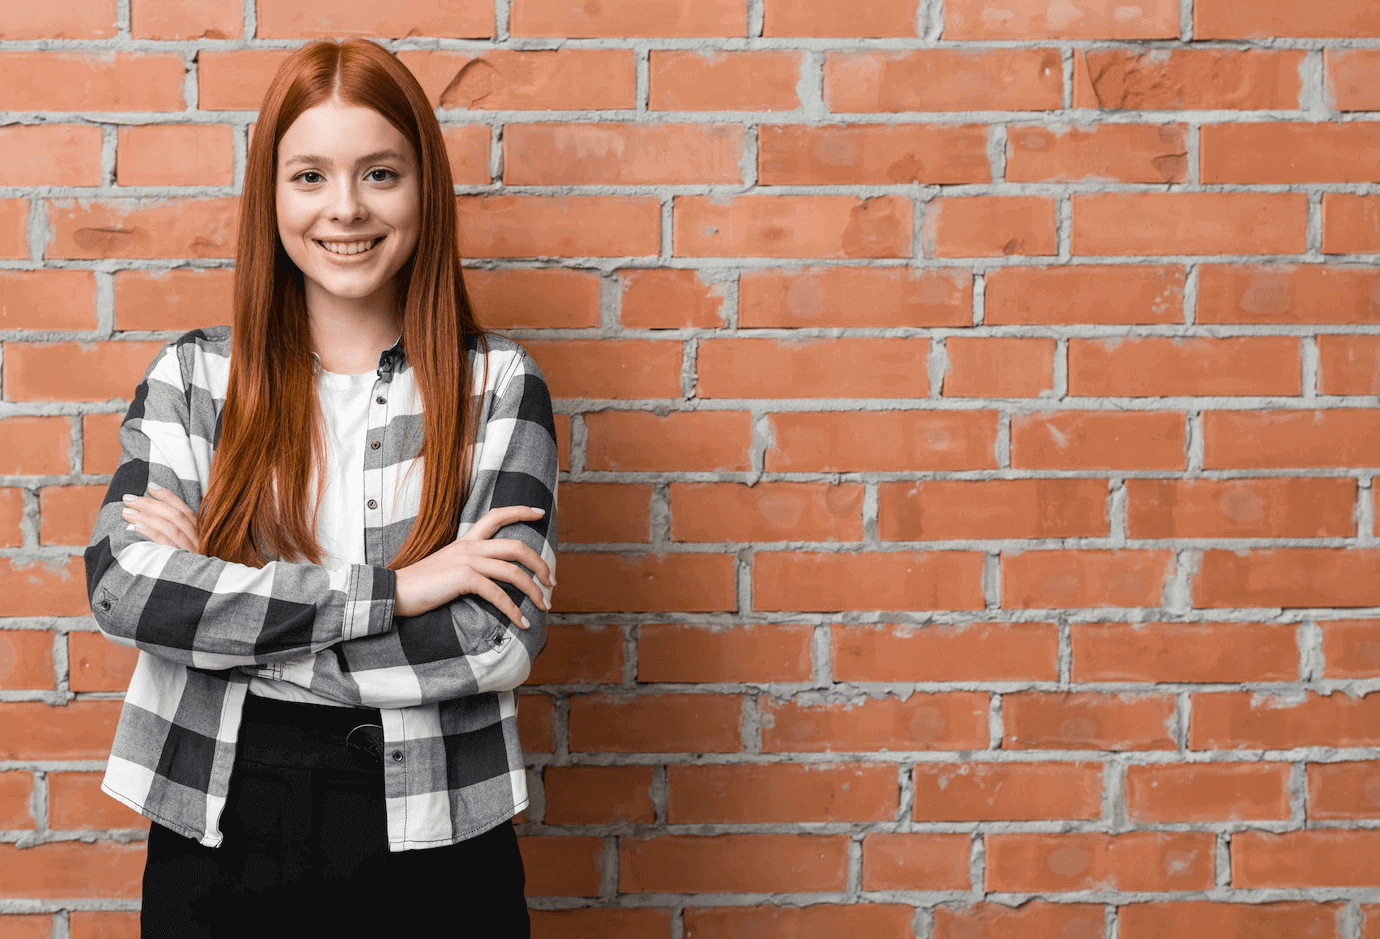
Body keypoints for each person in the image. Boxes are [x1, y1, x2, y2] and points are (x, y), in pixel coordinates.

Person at [82, 38, 557, 937]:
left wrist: (224, 627)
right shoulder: (192, 380)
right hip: (221, 821)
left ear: (425, 190)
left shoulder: (497, 384)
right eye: (309, 177)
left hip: (439, 839)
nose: (345, 209)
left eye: (380, 173)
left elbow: (491, 637)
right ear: (271, 194)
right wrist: (397, 591)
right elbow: (128, 588)